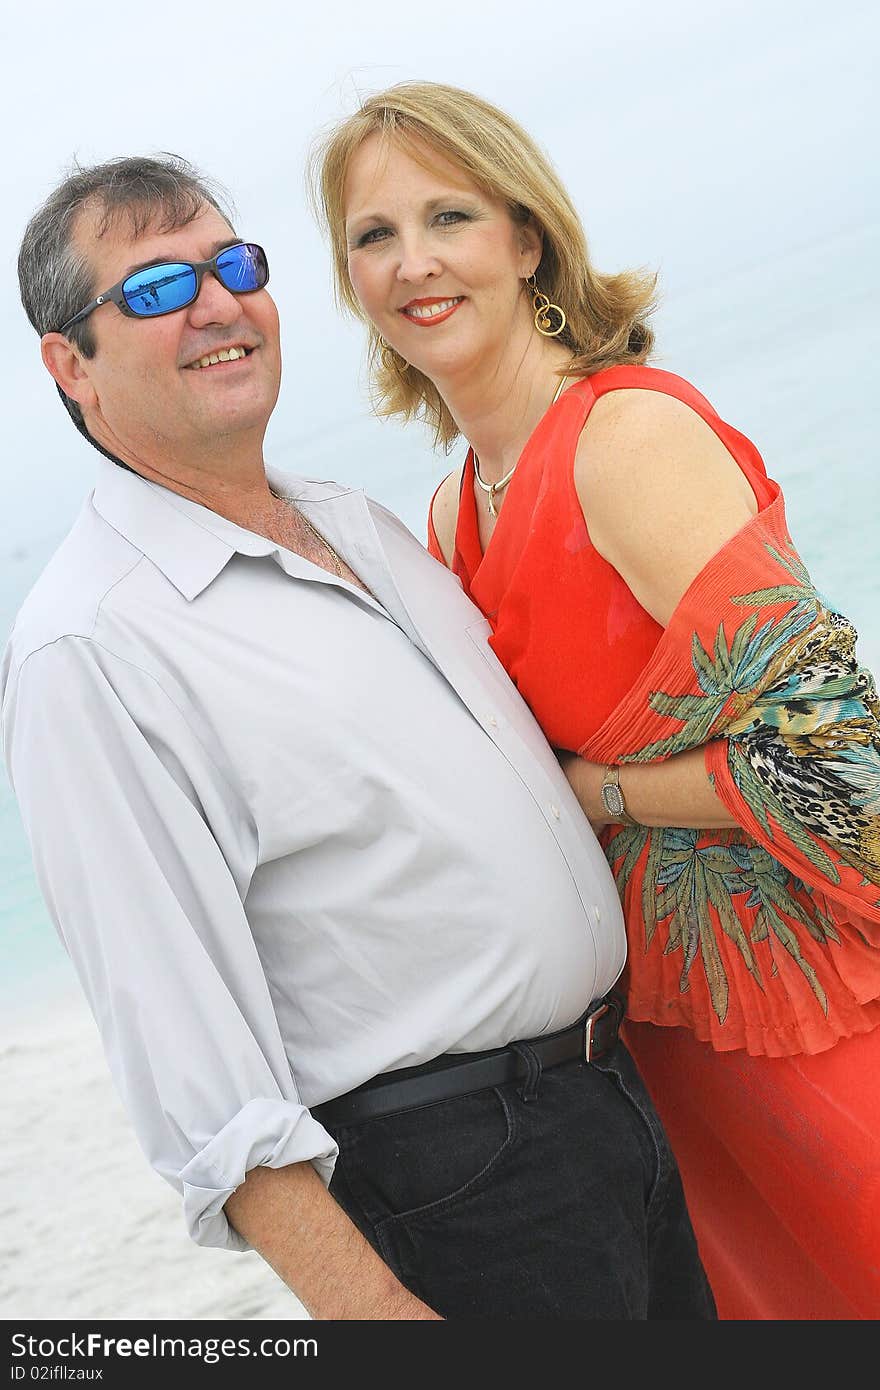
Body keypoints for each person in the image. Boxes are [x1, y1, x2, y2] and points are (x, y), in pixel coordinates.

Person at [1, 155, 716, 1322]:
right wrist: (370, 1311)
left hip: (610, 1112)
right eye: (153, 288)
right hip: (455, 1187)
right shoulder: (91, 647)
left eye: (234, 265)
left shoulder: (358, 520)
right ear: (70, 364)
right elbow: (192, 1071)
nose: (218, 304)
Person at [314, 81, 880, 1320]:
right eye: (372, 234)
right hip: (663, 1050)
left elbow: (845, 765)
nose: (413, 262)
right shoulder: (450, 513)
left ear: (525, 240)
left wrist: (606, 791)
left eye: (448, 216)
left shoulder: (620, 440)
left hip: (808, 1012)